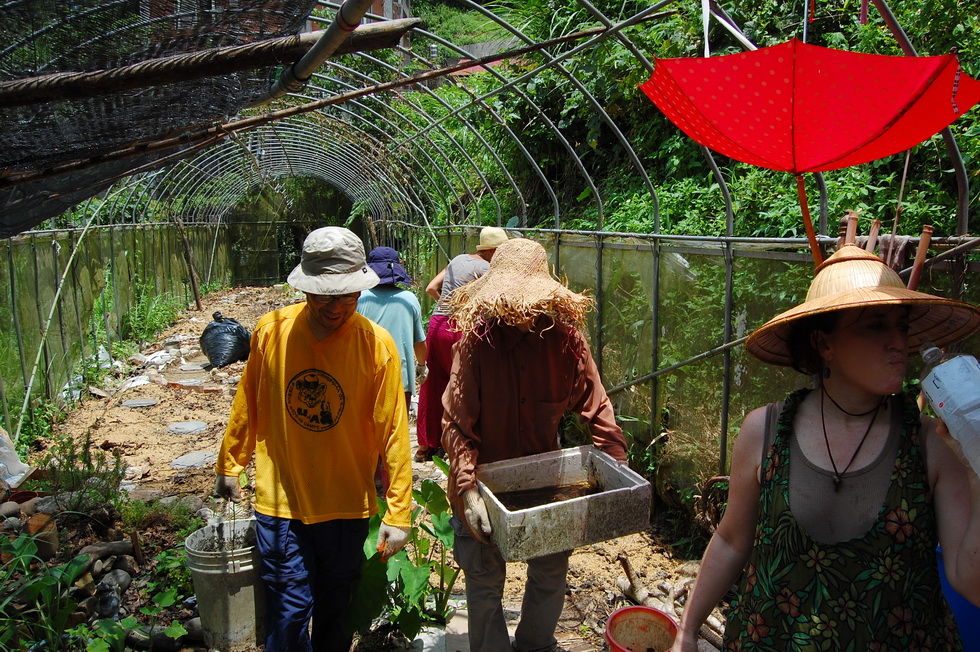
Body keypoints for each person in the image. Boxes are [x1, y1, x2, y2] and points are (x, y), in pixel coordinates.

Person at [672, 244, 980, 651]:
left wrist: (978, 472)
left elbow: (969, 581)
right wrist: (688, 631)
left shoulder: (933, 445)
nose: (897, 343)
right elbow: (731, 540)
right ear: (824, 344)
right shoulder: (765, 431)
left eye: (901, 326)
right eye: (875, 326)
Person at [213, 226, 414, 652]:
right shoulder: (272, 332)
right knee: (288, 611)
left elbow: (393, 432)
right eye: (325, 294)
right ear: (306, 289)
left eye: (346, 294)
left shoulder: (375, 346)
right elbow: (248, 400)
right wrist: (231, 463)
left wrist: (398, 513)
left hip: (346, 504)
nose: (336, 306)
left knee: (334, 611)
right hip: (282, 501)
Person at [442, 237, 628, 652]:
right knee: (484, 579)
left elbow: (597, 408)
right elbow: (456, 424)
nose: (520, 311)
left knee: (550, 570)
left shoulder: (565, 343)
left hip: (546, 482)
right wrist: (469, 488)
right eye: (511, 301)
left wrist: (618, 472)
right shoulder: (475, 345)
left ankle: (535, 644)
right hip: (484, 481)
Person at [415, 225, 508, 462]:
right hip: (459, 329)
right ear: (492, 252)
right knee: (462, 385)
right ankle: (459, 443)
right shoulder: (488, 268)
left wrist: (449, 306)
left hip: (436, 325)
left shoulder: (457, 260)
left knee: (433, 383)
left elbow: (431, 289)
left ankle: (426, 444)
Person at [357, 245, 427, 412]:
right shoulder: (408, 299)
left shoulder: (358, 298)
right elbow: (419, 342)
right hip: (400, 377)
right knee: (397, 430)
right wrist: (421, 366)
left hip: (366, 376)